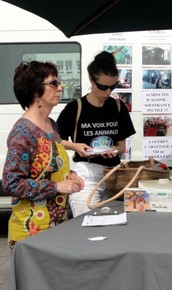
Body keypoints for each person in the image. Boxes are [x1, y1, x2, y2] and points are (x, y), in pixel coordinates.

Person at [2, 61, 84, 250]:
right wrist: (57, 186)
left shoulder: (51, 125)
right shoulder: (23, 132)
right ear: (35, 92)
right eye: (53, 83)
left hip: (56, 229)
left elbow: (50, 166)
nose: (60, 87)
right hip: (31, 236)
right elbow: (11, 182)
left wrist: (70, 175)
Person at [57, 51, 136, 217]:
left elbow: (122, 146)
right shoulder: (75, 108)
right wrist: (74, 146)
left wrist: (113, 150)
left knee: (115, 228)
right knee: (86, 224)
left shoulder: (118, 107)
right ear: (91, 79)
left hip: (113, 175)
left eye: (112, 87)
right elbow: (56, 141)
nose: (107, 92)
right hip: (86, 175)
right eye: (102, 87)